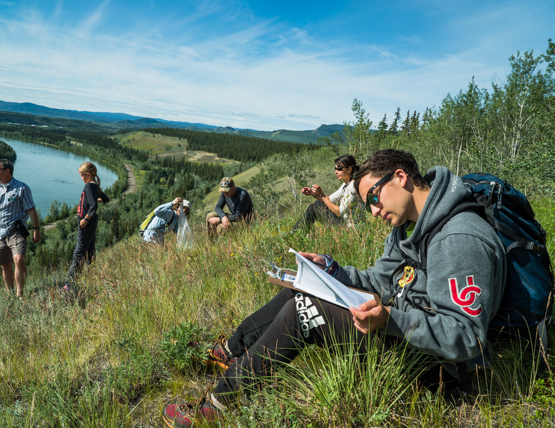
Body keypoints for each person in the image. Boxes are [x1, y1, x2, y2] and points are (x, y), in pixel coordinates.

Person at [162, 149, 507, 427]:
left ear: (400, 177)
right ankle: (233, 352)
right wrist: (332, 270)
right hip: (401, 334)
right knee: (304, 287)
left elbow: (467, 336)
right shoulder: (407, 228)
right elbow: (379, 280)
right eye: (367, 202)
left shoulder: (459, 238)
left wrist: (391, 320)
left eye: (374, 197)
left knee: (305, 310)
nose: (373, 211)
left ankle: (217, 407)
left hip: (437, 370)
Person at [0, 159, 41, 299]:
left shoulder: (21, 188)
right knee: (5, 265)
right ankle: (11, 294)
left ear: (7, 171)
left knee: (18, 259)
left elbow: (31, 210)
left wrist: (36, 229)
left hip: (16, 230)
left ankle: (20, 294)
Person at [63, 161, 109, 291]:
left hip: (86, 224)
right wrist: (92, 200)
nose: (81, 178)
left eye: (82, 175)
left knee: (78, 253)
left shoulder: (89, 186)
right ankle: (92, 275)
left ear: (88, 174)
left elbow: (93, 206)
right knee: (90, 250)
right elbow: (106, 199)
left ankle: (69, 285)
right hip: (91, 223)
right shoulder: (96, 186)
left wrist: (85, 219)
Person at [292, 154, 364, 231]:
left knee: (314, 207)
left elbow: (339, 213)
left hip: (350, 229)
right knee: (317, 204)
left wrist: (322, 196)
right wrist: (314, 194)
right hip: (345, 223)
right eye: (335, 168)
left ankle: (296, 232)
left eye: (339, 169)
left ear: (349, 170)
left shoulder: (353, 187)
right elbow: (329, 200)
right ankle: (299, 231)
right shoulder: (346, 185)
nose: (336, 172)